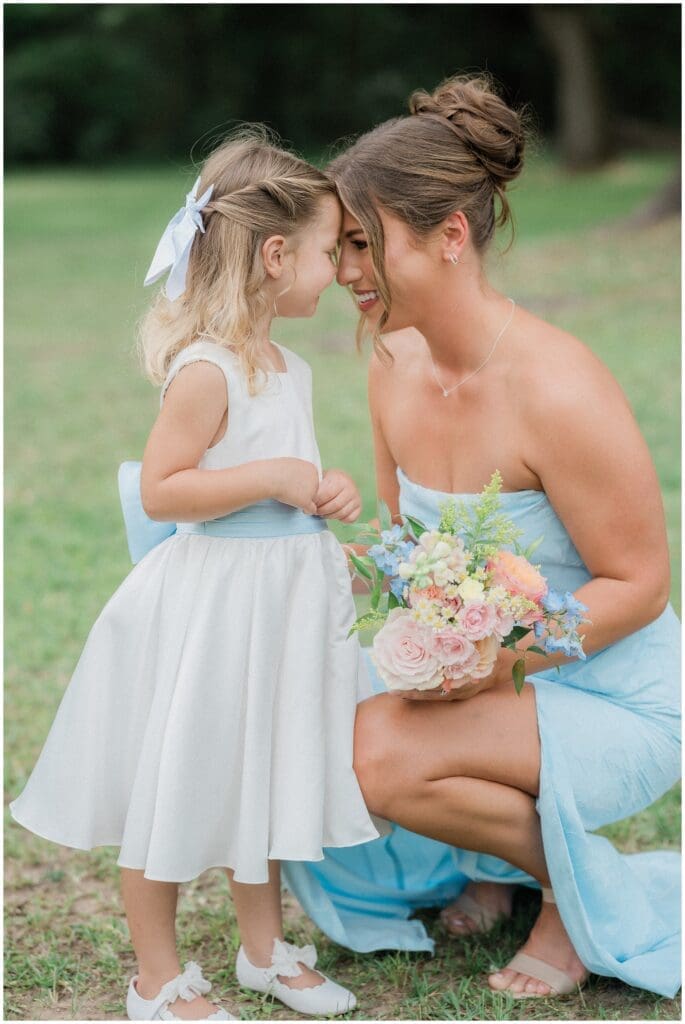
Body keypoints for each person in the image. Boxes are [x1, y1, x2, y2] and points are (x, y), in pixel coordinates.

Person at [283, 75, 681, 1000]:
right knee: (294, 714)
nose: (344, 271)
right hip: (477, 672)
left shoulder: (560, 388)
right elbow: (400, 544)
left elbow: (639, 584)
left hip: (618, 696)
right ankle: (495, 867)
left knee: (373, 753)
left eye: (361, 243)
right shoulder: (392, 358)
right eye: (339, 246)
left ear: (449, 237)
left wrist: (494, 664)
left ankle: (571, 900)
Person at [10, 129, 381, 1020]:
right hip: (214, 608)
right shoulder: (206, 370)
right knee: (177, 777)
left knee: (261, 772)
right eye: (330, 251)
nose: (337, 271)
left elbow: (288, 470)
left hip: (279, 605)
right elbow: (167, 488)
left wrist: (321, 489)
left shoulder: (285, 366)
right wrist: (269, 479)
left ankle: (263, 949)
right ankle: (156, 975)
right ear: (275, 254)